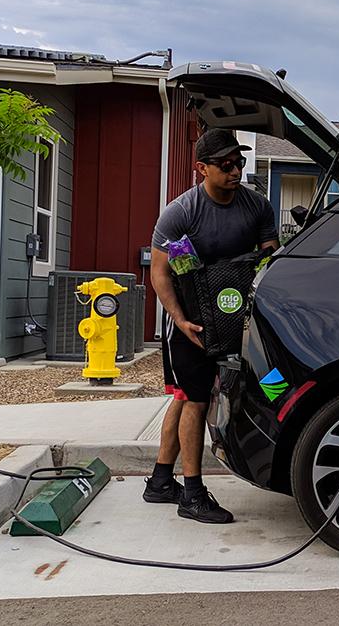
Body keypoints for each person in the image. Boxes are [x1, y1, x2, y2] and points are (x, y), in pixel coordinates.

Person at [143, 128, 279, 523]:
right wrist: (180, 320)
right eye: (226, 164)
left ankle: (160, 482)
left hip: (239, 317)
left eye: (239, 162)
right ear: (202, 168)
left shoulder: (257, 207)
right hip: (193, 323)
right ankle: (192, 495)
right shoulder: (181, 212)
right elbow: (160, 273)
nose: (235, 170)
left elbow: (271, 258)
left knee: (265, 379)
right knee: (195, 398)